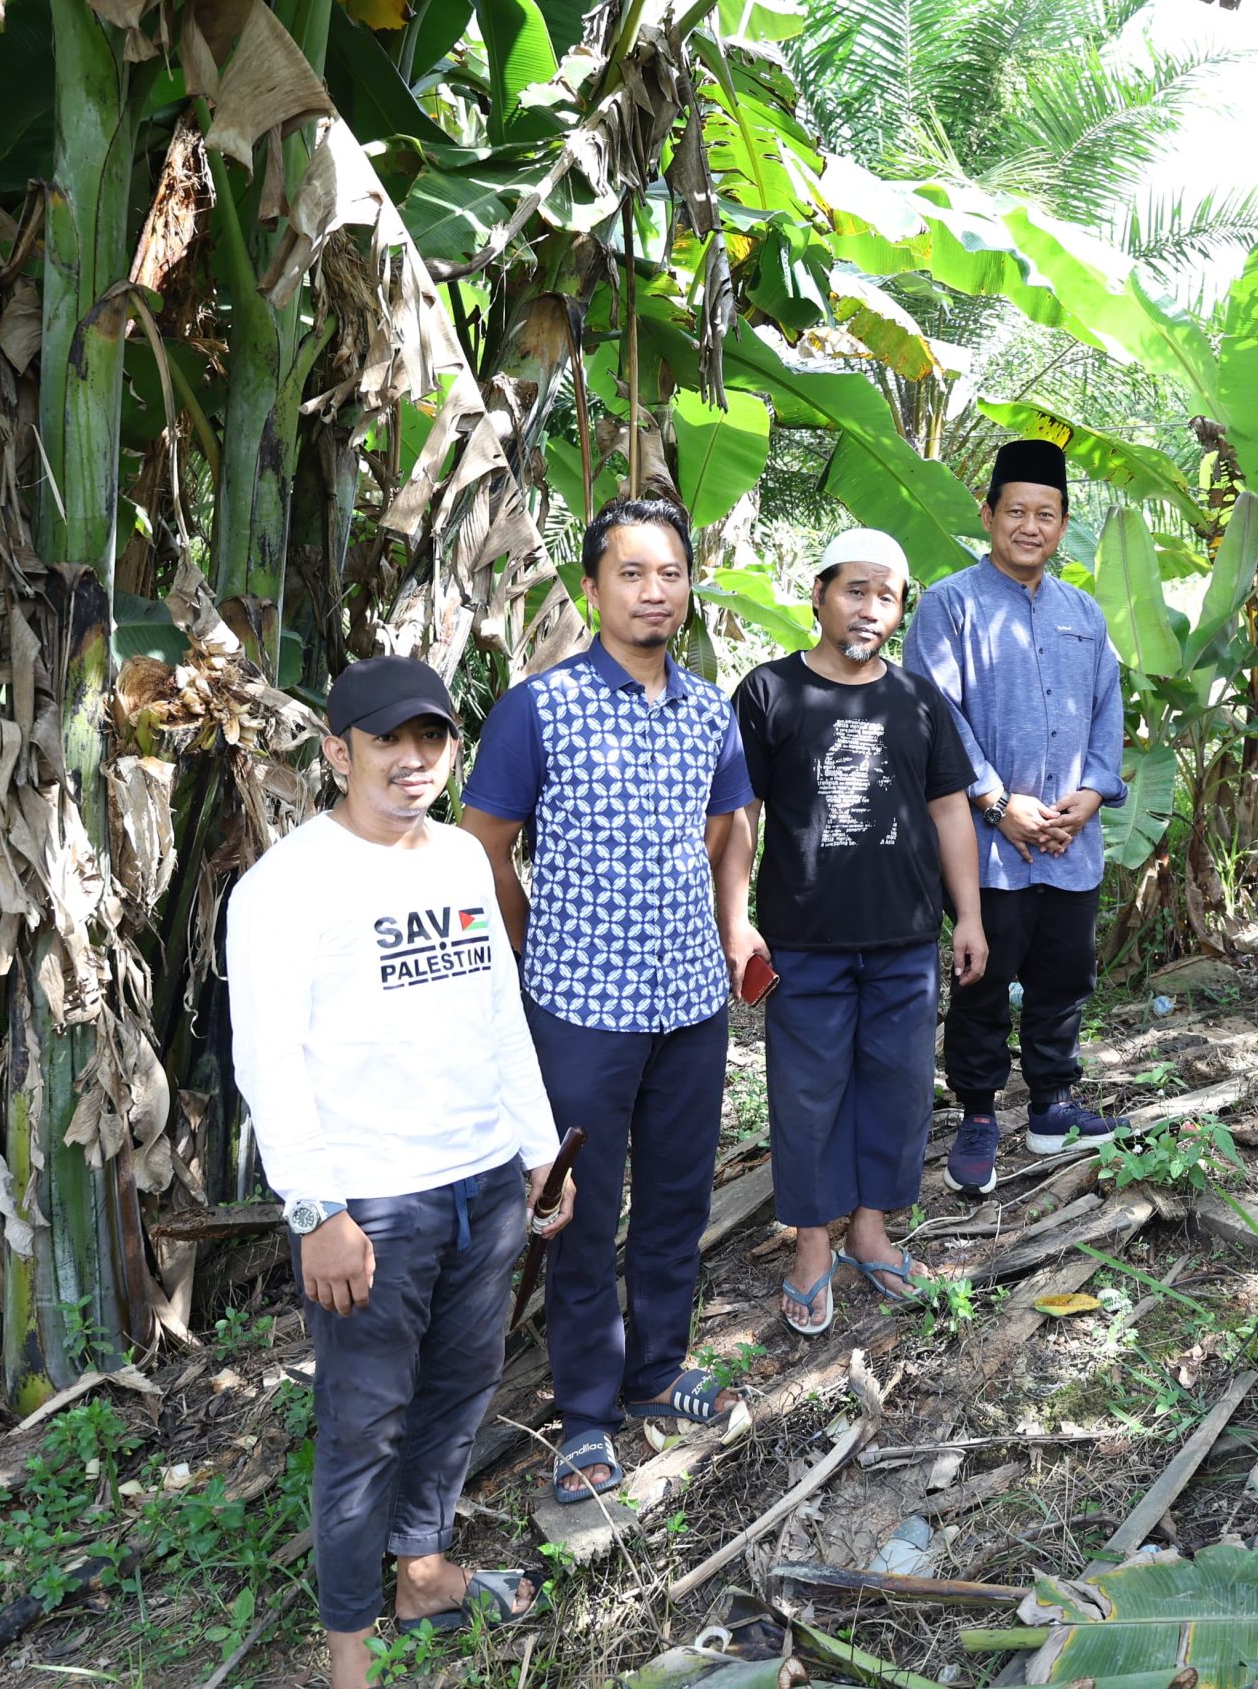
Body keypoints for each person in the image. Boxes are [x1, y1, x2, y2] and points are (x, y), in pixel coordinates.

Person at [228, 657, 567, 1688]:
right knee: (362, 1424)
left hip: (482, 1183)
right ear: (339, 751)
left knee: (461, 1387)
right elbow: (266, 1058)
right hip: (371, 1202)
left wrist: (542, 1148)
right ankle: (348, 1656)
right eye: (389, 740)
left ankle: (420, 1572)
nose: (414, 758)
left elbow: (499, 1012)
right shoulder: (286, 883)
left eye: (433, 738)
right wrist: (317, 1208)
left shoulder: (464, 857)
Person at [459, 498, 758, 1507]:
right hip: (578, 1004)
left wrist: (730, 924)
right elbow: (482, 847)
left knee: (677, 1192)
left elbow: (730, 826)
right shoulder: (536, 709)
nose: (654, 591)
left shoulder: (709, 710)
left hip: (688, 1000)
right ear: (593, 588)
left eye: (670, 573)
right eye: (631, 573)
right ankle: (585, 1414)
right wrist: (522, 956)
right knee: (577, 1216)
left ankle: (659, 1367)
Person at [730, 529, 989, 1330]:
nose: (869, 608)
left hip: (905, 937)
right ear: (818, 594)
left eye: (886, 595)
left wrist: (969, 916)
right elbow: (742, 812)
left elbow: (949, 809)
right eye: (854, 590)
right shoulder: (769, 693)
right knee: (807, 1095)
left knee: (900, 1087)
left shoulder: (916, 699)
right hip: (804, 939)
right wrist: (734, 916)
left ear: (900, 607)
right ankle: (813, 1242)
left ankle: (871, 1233)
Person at [908, 439, 1129, 1197]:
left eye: (1047, 514)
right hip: (988, 844)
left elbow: (1109, 715)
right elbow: (935, 717)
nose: (1030, 526)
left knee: (1062, 979)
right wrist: (998, 803)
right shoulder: (949, 606)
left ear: (1063, 525)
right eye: (1016, 512)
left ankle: (1052, 1104)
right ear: (988, 515)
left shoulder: (1084, 614)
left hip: (1072, 839)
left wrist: (1091, 797)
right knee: (982, 979)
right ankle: (976, 1114)